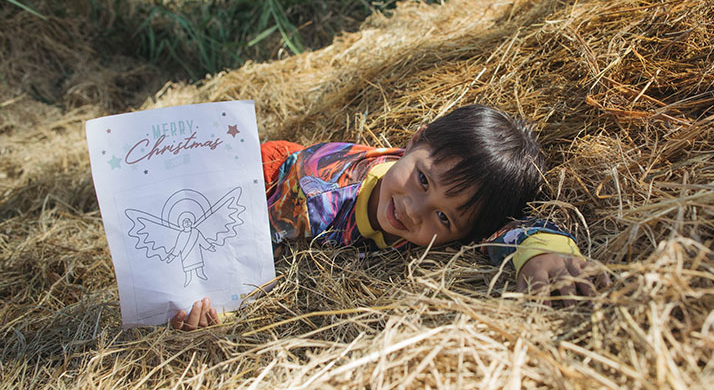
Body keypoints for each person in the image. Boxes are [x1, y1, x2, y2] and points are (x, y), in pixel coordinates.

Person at [170, 105, 610, 330]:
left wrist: (540, 254)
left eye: (444, 216)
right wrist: (213, 304)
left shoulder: (453, 222)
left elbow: (504, 230)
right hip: (273, 171)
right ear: (415, 140)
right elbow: (231, 245)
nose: (413, 211)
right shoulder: (309, 201)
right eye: (421, 179)